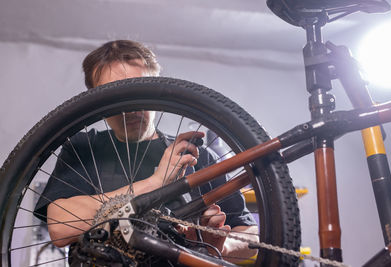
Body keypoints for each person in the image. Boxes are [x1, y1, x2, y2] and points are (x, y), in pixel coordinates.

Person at [34, 40, 258, 264]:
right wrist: (155, 183)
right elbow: (60, 228)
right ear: (95, 102)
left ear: (156, 91)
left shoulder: (195, 155)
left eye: (137, 92)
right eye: (114, 97)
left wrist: (220, 245)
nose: (129, 109)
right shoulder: (84, 147)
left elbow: (249, 235)